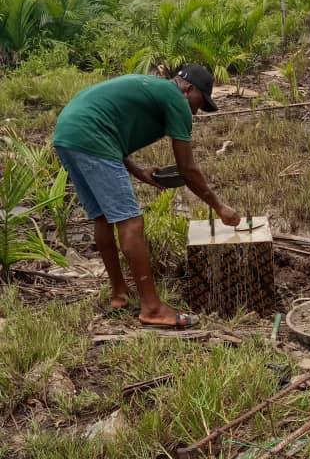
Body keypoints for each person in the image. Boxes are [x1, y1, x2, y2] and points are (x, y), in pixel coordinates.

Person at [53, 64, 240, 329]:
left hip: (67, 133)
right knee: (131, 222)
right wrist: (219, 207)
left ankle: (119, 294)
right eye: (200, 102)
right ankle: (151, 308)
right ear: (189, 89)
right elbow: (187, 168)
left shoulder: (154, 89)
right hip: (91, 136)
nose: (197, 112)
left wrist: (140, 172)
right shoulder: (176, 99)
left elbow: (113, 136)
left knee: (103, 216)